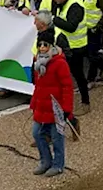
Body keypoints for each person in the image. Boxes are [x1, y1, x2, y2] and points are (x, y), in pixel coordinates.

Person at [29, 40, 72, 176]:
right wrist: (34, 104)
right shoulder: (37, 63)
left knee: (56, 137)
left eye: (45, 45)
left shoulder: (60, 63)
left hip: (56, 107)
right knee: (37, 133)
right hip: (42, 106)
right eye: (39, 45)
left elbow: (67, 87)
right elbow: (38, 86)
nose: (42, 47)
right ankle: (45, 161)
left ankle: (58, 165)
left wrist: (66, 108)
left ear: (51, 46)